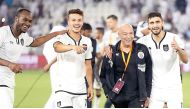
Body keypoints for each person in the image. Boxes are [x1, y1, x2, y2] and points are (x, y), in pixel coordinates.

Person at [0, 8, 65, 108]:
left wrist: (56, 34)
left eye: (30, 21)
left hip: (8, 82)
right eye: (24, 19)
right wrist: (10, 64)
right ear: (16, 18)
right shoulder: (3, 32)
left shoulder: (24, 37)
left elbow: (37, 42)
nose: (27, 23)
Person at [137, 12, 188, 108]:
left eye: (157, 22)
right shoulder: (142, 42)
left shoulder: (174, 38)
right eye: (152, 23)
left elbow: (185, 60)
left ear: (162, 23)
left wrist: (178, 49)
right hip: (154, 89)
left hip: (173, 88)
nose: (155, 25)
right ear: (148, 25)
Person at [100, 24, 152, 108]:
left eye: (131, 33)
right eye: (125, 34)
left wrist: (147, 95)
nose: (129, 36)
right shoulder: (111, 52)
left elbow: (149, 74)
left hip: (137, 97)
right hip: (118, 98)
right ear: (119, 35)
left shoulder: (142, 49)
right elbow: (103, 75)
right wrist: (108, 93)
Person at [53, 9, 93, 108]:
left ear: (82, 22)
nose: (76, 23)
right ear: (68, 21)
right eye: (73, 20)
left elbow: (88, 66)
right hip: (63, 88)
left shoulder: (87, 41)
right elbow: (57, 47)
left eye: (79, 20)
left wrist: (90, 86)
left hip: (81, 89)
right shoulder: (61, 37)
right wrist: (72, 47)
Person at [43, 25, 66, 108]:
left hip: (54, 69)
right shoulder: (58, 42)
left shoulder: (48, 43)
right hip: (59, 69)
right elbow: (60, 55)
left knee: (57, 91)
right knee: (59, 91)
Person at [103, 14, 120, 107]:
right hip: (110, 68)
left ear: (116, 21)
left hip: (120, 68)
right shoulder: (107, 34)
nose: (108, 24)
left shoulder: (122, 33)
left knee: (116, 92)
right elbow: (105, 49)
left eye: (110, 22)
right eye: (107, 22)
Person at [80, 22, 96, 108]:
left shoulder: (93, 41)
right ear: (82, 31)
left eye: (90, 32)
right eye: (88, 31)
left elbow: (92, 58)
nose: (89, 33)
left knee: (89, 92)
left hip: (89, 70)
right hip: (78, 72)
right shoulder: (77, 41)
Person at [93, 27, 105, 108]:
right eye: (95, 33)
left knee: (99, 88)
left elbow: (101, 56)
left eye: (97, 33)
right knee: (96, 88)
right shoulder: (93, 43)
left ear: (101, 34)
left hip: (100, 69)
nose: (95, 34)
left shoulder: (104, 44)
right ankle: (96, 106)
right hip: (91, 67)